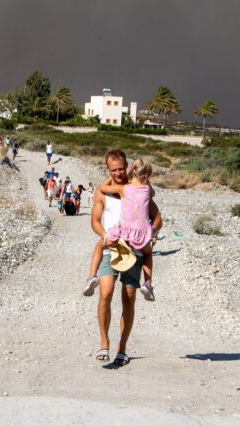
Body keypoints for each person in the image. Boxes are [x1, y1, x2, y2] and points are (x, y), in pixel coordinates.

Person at [86, 149, 162, 366]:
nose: (118, 173)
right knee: (105, 293)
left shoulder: (137, 188)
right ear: (108, 170)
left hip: (135, 252)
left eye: (121, 169)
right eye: (113, 170)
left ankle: (122, 348)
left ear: (127, 166)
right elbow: (95, 221)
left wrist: (150, 234)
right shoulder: (104, 192)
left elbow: (157, 218)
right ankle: (104, 342)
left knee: (128, 300)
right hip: (112, 248)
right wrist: (104, 236)